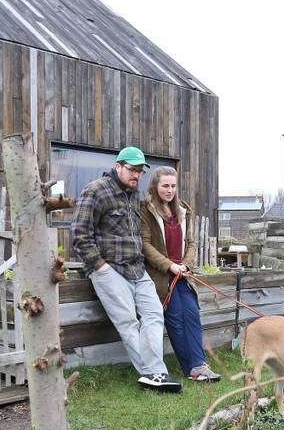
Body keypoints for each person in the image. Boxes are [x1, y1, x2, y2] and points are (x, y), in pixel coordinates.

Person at [71, 147, 182, 392]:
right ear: (118, 166)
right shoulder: (96, 190)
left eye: (140, 171)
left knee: (154, 315)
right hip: (109, 269)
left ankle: (154, 372)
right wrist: (99, 265)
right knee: (128, 322)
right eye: (131, 169)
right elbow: (79, 234)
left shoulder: (134, 194)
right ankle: (153, 374)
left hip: (136, 268)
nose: (136, 175)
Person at [139, 167, 222, 382]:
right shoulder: (146, 210)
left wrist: (185, 265)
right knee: (175, 318)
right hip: (162, 276)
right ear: (155, 186)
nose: (170, 190)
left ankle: (200, 365)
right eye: (165, 186)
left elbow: (191, 243)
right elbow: (145, 245)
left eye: (173, 186)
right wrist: (169, 266)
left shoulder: (183, 210)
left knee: (192, 314)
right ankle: (192, 369)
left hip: (183, 274)